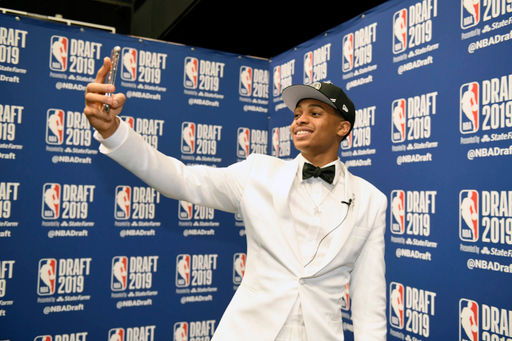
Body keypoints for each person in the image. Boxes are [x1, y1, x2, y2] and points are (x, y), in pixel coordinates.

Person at [84, 57, 387, 341]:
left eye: (315, 113)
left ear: (342, 127)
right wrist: (114, 133)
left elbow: (368, 302)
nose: (300, 121)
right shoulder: (257, 172)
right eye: (297, 115)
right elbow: (182, 180)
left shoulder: (372, 202)